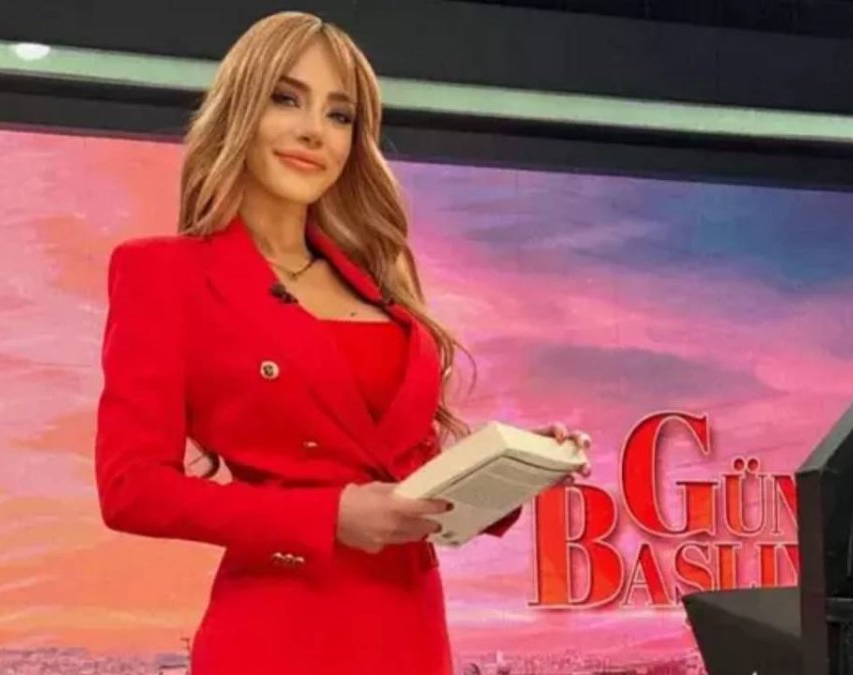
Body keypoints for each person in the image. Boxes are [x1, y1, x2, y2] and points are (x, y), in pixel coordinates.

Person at [93, 11, 591, 674]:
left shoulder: (380, 281)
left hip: (409, 626)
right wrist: (327, 515)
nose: (314, 131)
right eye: (286, 98)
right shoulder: (164, 272)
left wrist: (511, 467)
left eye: (339, 115)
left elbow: (401, 467)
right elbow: (131, 489)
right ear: (240, 108)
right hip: (279, 633)